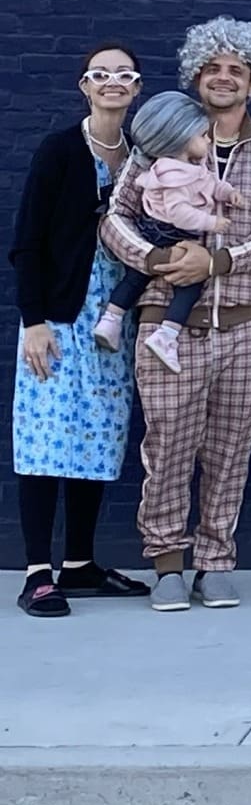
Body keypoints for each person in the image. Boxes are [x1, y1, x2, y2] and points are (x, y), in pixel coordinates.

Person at [101, 17, 251, 614]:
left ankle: (215, 563)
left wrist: (215, 262)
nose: (223, 78)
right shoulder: (153, 149)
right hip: (169, 326)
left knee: (230, 451)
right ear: (195, 76)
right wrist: (161, 257)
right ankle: (165, 564)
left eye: (236, 70)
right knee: (167, 448)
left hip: (245, 327)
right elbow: (114, 221)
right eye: (212, 68)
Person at [9, 44, 150, 616]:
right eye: (101, 75)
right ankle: (38, 572)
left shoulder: (143, 157)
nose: (112, 83)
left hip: (115, 323)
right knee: (45, 440)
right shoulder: (60, 150)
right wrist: (33, 321)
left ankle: (81, 564)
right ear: (84, 87)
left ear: (137, 88)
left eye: (124, 75)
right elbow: (27, 242)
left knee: (98, 438)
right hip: (60, 320)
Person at [93, 92, 243, 375]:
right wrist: (212, 223)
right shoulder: (174, 175)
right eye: (202, 135)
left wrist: (230, 193)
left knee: (135, 278)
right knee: (189, 287)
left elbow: (211, 185)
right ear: (181, 139)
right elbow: (179, 212)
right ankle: (167, 336)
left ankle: (110, 320)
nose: (208, 141)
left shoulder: (187, 167)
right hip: (170, 233)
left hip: (155, 233)